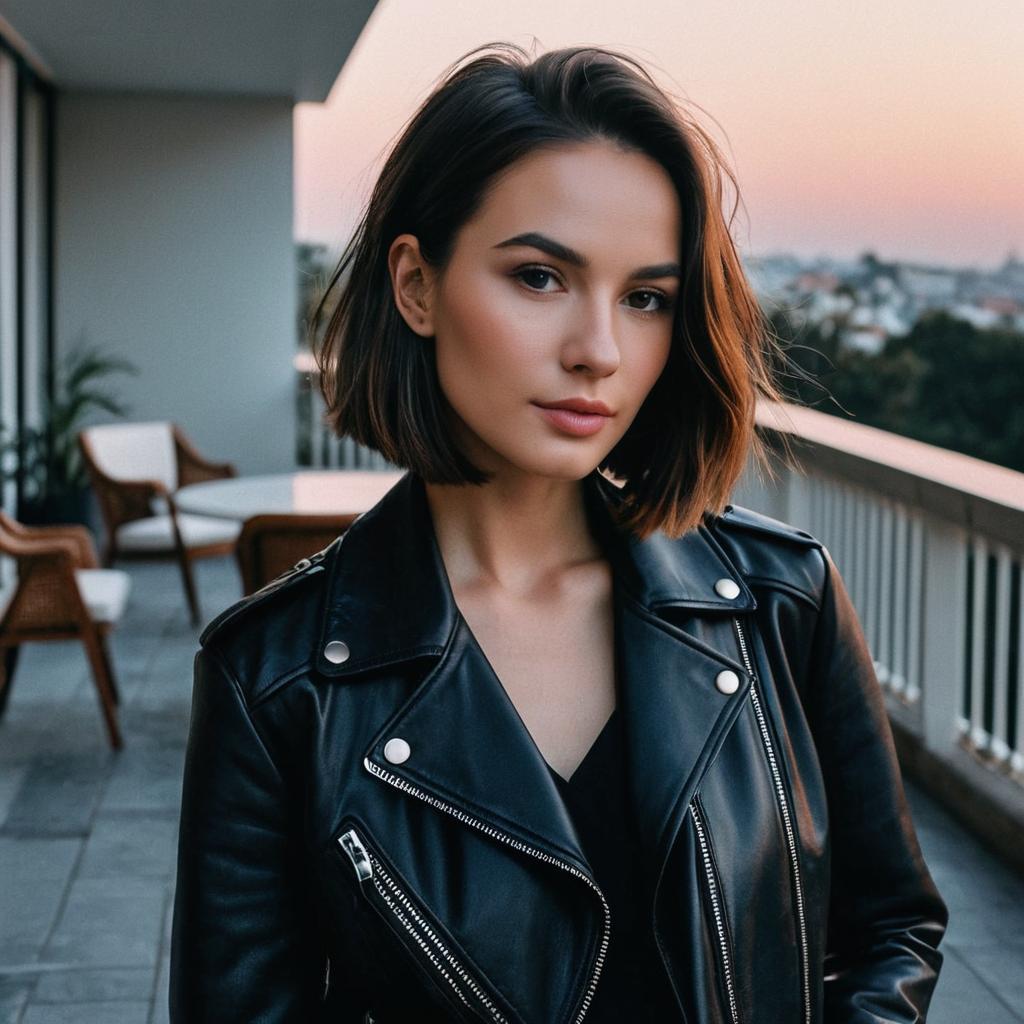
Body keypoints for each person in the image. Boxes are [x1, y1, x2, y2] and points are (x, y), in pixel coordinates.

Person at [169, 42, 948, 1024]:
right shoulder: (276, 679)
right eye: (539, 277)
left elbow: (889, 931)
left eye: (646, 297)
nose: (599, 350)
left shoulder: (779, 600)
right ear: (415, 285)